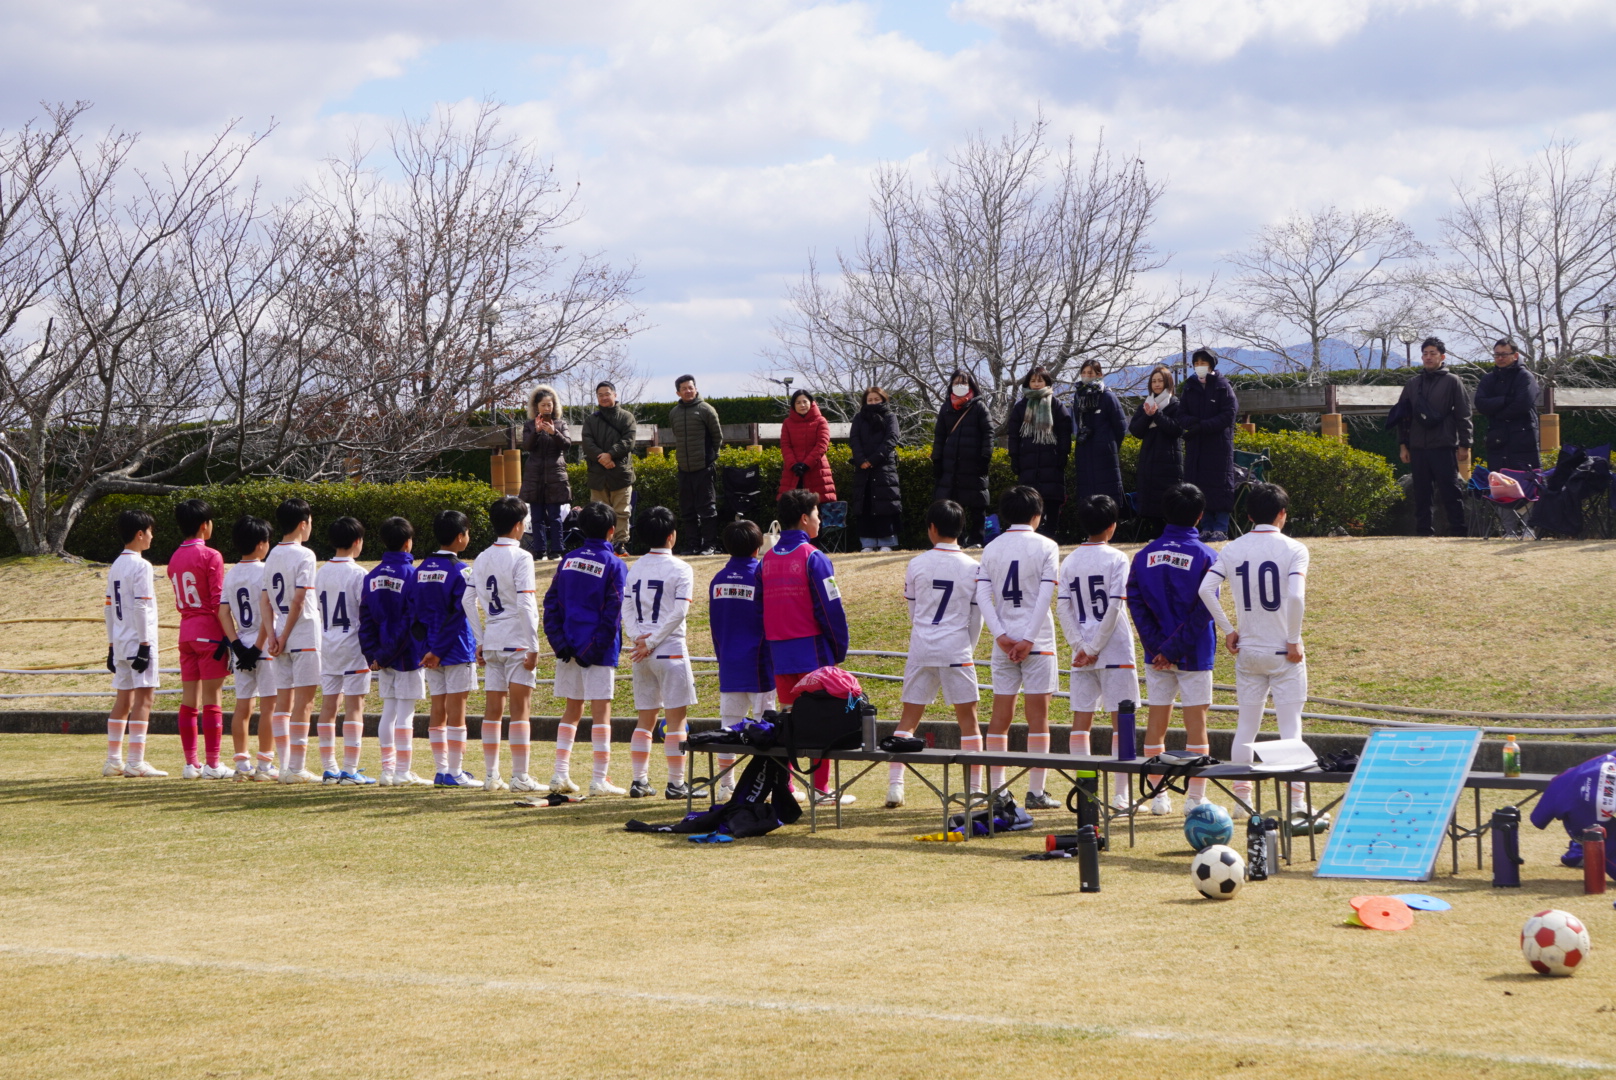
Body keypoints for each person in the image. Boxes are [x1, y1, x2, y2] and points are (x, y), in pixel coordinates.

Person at [1197, 482, 1312, 818]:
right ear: (1282, 514)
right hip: (1282, 651)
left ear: (1248, 516)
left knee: (1246, 726)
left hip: (1248, 650)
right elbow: (1296, 596)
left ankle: (1241, 801)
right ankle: (1296, 804)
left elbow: (1206, 589)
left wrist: (1228, 630)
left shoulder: (1232, 548)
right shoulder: (1295, 549)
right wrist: (1293, 638)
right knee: (1290, 727)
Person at [1125, 482, 1218, 815]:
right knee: (1197, 724)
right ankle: (1195, 799)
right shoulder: (1207, 555)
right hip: (1195, 651)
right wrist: (1176, 647)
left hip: (1157, 655)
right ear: (1200, 515)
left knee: (1156, 721)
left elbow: (1135, 602)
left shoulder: (1143, 555)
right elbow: (1206, 608)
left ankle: (1158, 796)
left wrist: (1158, 647)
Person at [885, 500, 982, 809]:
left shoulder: (917, 563)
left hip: (922, 647)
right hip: (957, 648)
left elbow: (914, 611)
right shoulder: (973, 567)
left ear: (932, 528)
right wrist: (967, 647)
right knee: (969, 722)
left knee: (908, 719)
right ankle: (975, 789)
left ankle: (895, 787)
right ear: (961, 528)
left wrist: (926, 634)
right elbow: (976, 618)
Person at [761, 488, 852, 805]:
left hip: (779, 655)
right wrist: (839, 648)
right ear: (804, 518)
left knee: (788, 720)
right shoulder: (814, 557)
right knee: (821, 720)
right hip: (812, 652)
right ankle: (821, 789)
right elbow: (831, 609)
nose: (819, 519)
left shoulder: (767, 559)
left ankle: (785, 787)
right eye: (816, 514)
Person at [973, 485, 1061, 807]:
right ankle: (1036, 792)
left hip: (1004, 641)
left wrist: (1000, 635)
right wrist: (1028, 639)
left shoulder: (992, 547)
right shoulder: (1047, 546)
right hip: (1038, 642)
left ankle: (998, 791)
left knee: (1000, 716)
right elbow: (1045, 597)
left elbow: (982, 595)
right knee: (1039, 718)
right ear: (1037, 514)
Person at [542, 501, 628, 796]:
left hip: (568, 647)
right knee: (601, 713)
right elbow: (614, 612)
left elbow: (550, 603)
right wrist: (593, 649)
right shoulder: (615, 563)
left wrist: (559, 643)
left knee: (572, 709)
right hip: (598, 651)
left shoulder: (568, 559)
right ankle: (599, 778)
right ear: (611, 530)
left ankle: (559, 774)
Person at [622, 506, 700, 799]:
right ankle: (676, 784)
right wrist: (652, 641)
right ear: (671, 535)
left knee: (645, 719)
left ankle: (639, 780)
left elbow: (626, 608)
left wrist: (637, 638)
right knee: (676, 719)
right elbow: (679, 612)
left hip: (641, 652)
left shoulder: (636, 567)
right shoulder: (681, 568)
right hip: (669, 650)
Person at [1056, 495, 1138, 766]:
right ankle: (1122, 788)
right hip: (1114, 647)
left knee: (1081, 719)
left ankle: (1084, 784)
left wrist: (1080, 646)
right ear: (1112, 525)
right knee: (1122, 718)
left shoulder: (1069, 560)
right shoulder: (1118, 558)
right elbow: (1114, 605)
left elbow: (1063, 608)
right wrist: (1092, 648)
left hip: (1081, 651)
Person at [471, 496, 545, 794]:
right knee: (520, 709)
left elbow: (467, 600)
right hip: (516, 640)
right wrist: (534, 644)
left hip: (492, 638)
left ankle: (491, 776)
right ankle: (520, 776)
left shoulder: (481, 557)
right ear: (518, 525)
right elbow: (526, 603)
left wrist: (479, 639)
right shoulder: (522, 557)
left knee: (492, 710)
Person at [409, 510, 480, 788]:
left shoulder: (420, 569)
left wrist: (426, 649)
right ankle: (455, 772)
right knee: (457, 707)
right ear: (461, 536)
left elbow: (413, 614)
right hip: (456, 648)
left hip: (429, 651)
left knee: (438, 706)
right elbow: (458, 615)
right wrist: (437, 650)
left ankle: (442, 770)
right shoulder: (462, 570)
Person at [360, 516, 430, 787]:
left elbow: (365, 618)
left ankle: (387, 771)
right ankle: (401, 771)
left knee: (389, 710)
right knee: (405, 713)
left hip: (382, 656)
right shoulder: (412, 574)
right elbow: (410, 620)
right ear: (408, 542)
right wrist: (384, 654)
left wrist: (373, 654)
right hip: (407, 655)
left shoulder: (372, 575)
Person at [708, 518, 774, 800]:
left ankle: (726, 786)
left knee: (728, 726)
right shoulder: (762, 576)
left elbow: (714, 624)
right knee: (766, 728)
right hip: (760, 664)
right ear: (758, 547)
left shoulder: (718, 579)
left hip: (729, 663)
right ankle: (768, 787)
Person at [168, 498, 231, 779]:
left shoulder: (174, 558)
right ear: (205, 525)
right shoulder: (211, 555)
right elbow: (217, 601)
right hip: (209, 633)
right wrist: (231, 638)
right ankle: (213, 764)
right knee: (212, 699)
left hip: (186, 632)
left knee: (189, 700)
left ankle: (191, 763)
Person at [259, 498, 321, 785]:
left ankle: (285, 766)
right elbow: (299, 599)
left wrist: (273, 635)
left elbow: (264, 599)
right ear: (302, 524)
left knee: (283, 703)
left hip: (279, 636)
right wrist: (283, 634)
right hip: (303, 633)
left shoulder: (271, 554)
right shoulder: (305, 554)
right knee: (304, 702)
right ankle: (295, 767)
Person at [311, 517, 372, 785]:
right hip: (353, 646)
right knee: (355, 705)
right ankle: (349, 769)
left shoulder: (321, 572)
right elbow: (364, 611)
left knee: (329, 705)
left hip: (327, 644)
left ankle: (329, 768)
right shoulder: (359, 573)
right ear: (357, 541)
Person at [104, 509, 164, 777]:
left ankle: (113, 760)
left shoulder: (116, 564)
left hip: (120, 641)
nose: (152, 537)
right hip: (138, 641)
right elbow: (142, 606)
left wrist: (111, 645)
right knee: (144, 699)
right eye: (150, 531)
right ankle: (136, 762)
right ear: (140, 534)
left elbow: (108, 608)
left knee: (123, 699)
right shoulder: (142, 565)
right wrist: (145, 644)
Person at [1394, 336, 1473, 537]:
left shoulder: (1452, 381)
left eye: (1433, 353)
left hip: (1444, 444)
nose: (1428, 357)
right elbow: (1403, 417)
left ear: (1442, 357)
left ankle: (1458, 530)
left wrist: (1465, 444)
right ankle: (1423, 532)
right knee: (1421, 492)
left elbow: (1464, 413)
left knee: (1450, 490)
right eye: (1425, 354)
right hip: (1418, 446)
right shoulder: (1413, 383)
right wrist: (1403, 445)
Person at [218, 515, 277, 780]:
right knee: (269, 706)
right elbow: (268, 611)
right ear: (261, 543)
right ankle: (265, 764)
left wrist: (237, 645)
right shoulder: (265, 571)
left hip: (240, 645)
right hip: (263, 647)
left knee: (243, 706)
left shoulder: (231, 574)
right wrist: (258, 646)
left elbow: (223, 612)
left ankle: (242, 764)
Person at [1178, 349, 1239, 541]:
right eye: (1196, 363)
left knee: (1220, 485)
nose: (1199, 366)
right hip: (1196, 446)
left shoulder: (1223, 386)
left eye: (1203, 362)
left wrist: (1203, 425)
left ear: (1211, 364)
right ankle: (1206, 527)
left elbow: (1229, 414)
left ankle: (1220, 528)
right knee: (1199, 486)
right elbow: (1181, 414)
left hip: (1218, 446)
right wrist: (1193, 423)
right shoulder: (1189, 387)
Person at [1008, 367, 1073, 541]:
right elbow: (1013, 434)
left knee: (1052, 501)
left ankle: (1051, 534)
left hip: (1051, 460)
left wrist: (1063, 454)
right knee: (1029, 502)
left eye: (1040, 380)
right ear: (1028, 383)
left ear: (1047, 382)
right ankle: (1031, 537)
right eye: (1033, 381)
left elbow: (1065, 432)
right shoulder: (1020, 407)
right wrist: (1014, 457)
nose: (1036, 384)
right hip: (1027, 462)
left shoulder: (1056, 404)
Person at [932, 369, 993, 548]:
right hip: (951, 465)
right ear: (951, 385)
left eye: (964, 382)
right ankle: (958, 540)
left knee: (977, 505)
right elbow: (939, 436)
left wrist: (985, 457)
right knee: (954, 506)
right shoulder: (946, 407)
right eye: (956, 382)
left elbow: (988, 433)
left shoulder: (979, 406)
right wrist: (937, 459)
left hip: (973, 464)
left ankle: (977, 539)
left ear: (970, 385)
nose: (960, 386)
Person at [669, 374, 724, 555]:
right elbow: (676, 435)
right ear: (678, 392)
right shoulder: (674, 413)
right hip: (684, 468)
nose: (688, 391)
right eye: (684, 388)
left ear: (696, 389)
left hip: (704, 467)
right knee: (687, 510)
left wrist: (710, 457)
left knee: (707, 508)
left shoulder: (706, 409)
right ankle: (692, 545)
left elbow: (717, 436)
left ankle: (710, 545)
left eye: (690, 387)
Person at [1128, 365, 1185, 531]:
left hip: (1169, 461)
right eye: (1154, 381)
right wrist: (1148, 415)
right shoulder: (1146, 405)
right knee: (1151, 501)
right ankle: (1156, 533)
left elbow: (1177, 429)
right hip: (1149, 459)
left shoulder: (1175, 405)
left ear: (1168, 382)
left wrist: (1157, 415)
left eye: (1160, 381)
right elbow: (1136, 431)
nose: (1157, 384)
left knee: (1170, 501)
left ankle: (1171, 534)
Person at [582, 380, 637, 553]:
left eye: (607, 394)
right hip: (597, 474)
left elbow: (628, 441)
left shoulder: (627, 417)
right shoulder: (591, 420)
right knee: (598, 513)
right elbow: (587, 443)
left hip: (620, 473)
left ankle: (620, 544)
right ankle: (600, 545)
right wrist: (602, 457)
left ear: (615, 395)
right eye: (600, 395)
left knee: (622, 511)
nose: (604, 397)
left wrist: (610, 454)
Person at [520, 384, 571, 560]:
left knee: (555, 516)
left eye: (550, 404)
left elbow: (567, 444)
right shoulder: (529, 425)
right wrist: (537, 431)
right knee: (537, 517)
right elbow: (527, 446)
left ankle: (557, 550)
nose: (547, 408)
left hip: (555, 476)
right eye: (543, 405)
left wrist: (554, 432)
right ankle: (539, 551)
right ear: (536, 407)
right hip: (534, 477)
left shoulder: (561, 424)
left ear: (554, 406)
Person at [1070, 358, 1128, 513]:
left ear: (1099, 374)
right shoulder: (1078, 396)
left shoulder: (1107, 396)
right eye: (1083, 373)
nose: (1086, 376)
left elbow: (1121, 427)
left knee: (1107, 503)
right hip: (1084, 453)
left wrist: (1108, 444)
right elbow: (1078, 424)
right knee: (1088, 502)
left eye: (1090, 373)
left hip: (1105, 457)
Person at [1474, 338, 1540, 472]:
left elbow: (1523, 404)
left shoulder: (1525, 377)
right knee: (1498, 480)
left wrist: (1497, 413)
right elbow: (1480, 404)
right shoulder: (1488, 379)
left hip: (1523, 439)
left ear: (1515, 356)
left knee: (1525, 480)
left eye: (1504, 354)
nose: (1500, 358)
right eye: (1497, 355)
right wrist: (1504, 400)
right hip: (1497, 439)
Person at [849, 386, 902, 551]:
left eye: (876, 399)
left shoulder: (890, 416)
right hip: (863, 468)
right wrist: (861, 460)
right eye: (869, 400)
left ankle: (887, 542)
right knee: (865, 504)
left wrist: (873, 460)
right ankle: (868, 543)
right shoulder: (859, 418)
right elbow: (854, 439)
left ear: (883, 399)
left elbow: (892, 438)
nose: (873, 402)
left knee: (885, 503)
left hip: (884, 467)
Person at [779, 389, 836, 502]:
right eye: (798, 402)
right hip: (793, 471)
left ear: (811, 402)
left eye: (805, 401)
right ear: (793, 405)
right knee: (793, 506)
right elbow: (785, 445)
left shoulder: (820, 421)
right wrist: (793, 465)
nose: (802, 405)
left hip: (816, 469)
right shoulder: (787, 423)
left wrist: (806, 464)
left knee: (818, 505)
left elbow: (822, 444)